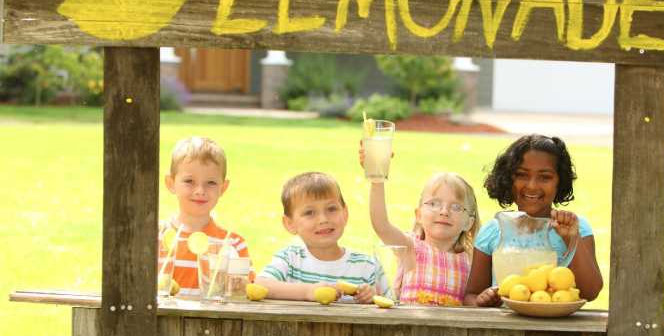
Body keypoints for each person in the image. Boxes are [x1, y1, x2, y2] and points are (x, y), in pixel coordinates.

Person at [463, 134, 603, 307]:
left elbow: (590, 292)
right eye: (522, 174)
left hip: (555, 330)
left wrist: (570, 237)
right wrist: (481, 301)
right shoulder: (493, 231)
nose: (531, 185)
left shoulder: (575, 226)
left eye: (544, 177)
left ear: (560, 182)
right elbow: (471, 295)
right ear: (508, 178)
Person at [361, 145, 481, 306]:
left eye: (456, 207)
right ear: (419, 215)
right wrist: (377, 180)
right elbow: (381, 225)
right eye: (434, 204)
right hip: (408, 330)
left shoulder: (472, 260)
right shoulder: (410, 248)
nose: (444, 211)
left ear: (469, 222)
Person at [253, 172, 376, 303]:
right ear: (290, 224)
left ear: (345, 214)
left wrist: (371, 295)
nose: (323, 219)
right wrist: (307, 291)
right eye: (309, 212)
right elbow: (260, 284)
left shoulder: (364, 266)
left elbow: (387, 300)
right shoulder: (290, 259)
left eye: (331, 209)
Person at [159, 137, 255, 296]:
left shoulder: (233, 242)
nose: (200, 191)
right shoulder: (156, 238)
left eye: (210, 183)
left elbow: (249, 291)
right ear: (171, 183)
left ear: (223, 188)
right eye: (189, 181)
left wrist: (240, 286)